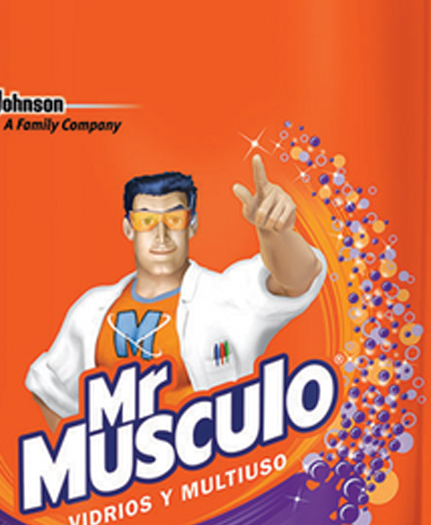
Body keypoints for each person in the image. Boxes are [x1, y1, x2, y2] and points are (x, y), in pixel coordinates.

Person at [26, 155, 326, 431]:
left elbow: (297, 280)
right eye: (146, 221)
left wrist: (276, 234)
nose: (161, 235)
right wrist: (80, 463)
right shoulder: (92, 311)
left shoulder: (226, 295)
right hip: (123, 469)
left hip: (211, 466)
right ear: (129, 228)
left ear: (191, 225)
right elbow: (49, 388)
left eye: (174, 219)